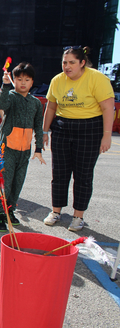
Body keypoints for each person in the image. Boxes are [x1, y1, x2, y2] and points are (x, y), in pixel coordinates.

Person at [42, 46, 115, 231]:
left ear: (82, 63)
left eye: (72, 62)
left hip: (90, 128)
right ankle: (56, 211)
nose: (67, 66)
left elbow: (108, 108)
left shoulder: (97, 78)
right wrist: (44, 132)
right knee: (59, 173)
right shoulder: (57, 80)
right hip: (63, 128)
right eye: (64, 62)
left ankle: (78, 216)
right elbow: (51, 107)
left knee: (83, 175)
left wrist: (107, 136)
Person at [0, 63, 45, 231]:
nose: (23, 83)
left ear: (32, 82)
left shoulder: (35, 103)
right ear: (14, 80)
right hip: (6, 147)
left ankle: (10, 210)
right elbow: (2, 105)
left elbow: (38, 127)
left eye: (26, 80)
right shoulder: (11, 96)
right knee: (4, 182)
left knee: (17, 183)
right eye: (19, 79)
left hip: (24, 150)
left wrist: (38, 148)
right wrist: (5, 86)